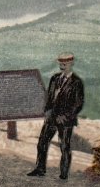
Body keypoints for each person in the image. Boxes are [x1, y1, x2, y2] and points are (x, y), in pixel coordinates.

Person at [27, 52, 85, 180]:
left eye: (65, 64)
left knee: (64, 146)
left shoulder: (77, 82)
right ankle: (40, 169)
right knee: (42, 142)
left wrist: (64, 116)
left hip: (66, 121)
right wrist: (47, 111)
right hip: (51, 118)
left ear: (71, 64)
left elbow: (78, 104)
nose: (62, 66)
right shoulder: (54, 78)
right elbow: (49, 97)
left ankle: (64, 174)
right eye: (60, 63)